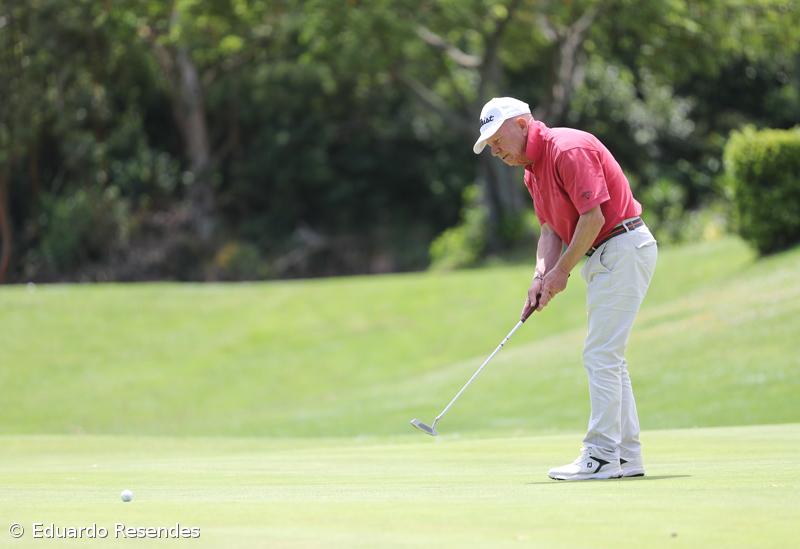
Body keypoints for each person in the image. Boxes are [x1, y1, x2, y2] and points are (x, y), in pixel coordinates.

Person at [473, 97, 658, 481]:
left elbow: (593, 218)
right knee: (609, 357)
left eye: (497, 139)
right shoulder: (532, 172)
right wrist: (540, 275)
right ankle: (626, 457)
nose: (495, 150)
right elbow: (550, 230)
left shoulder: (567, 149)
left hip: (622, 245)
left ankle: (601, 455)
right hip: (607, 254)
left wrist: (561, 273)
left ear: (522, 124)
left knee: (600, 355)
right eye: (489, 144)